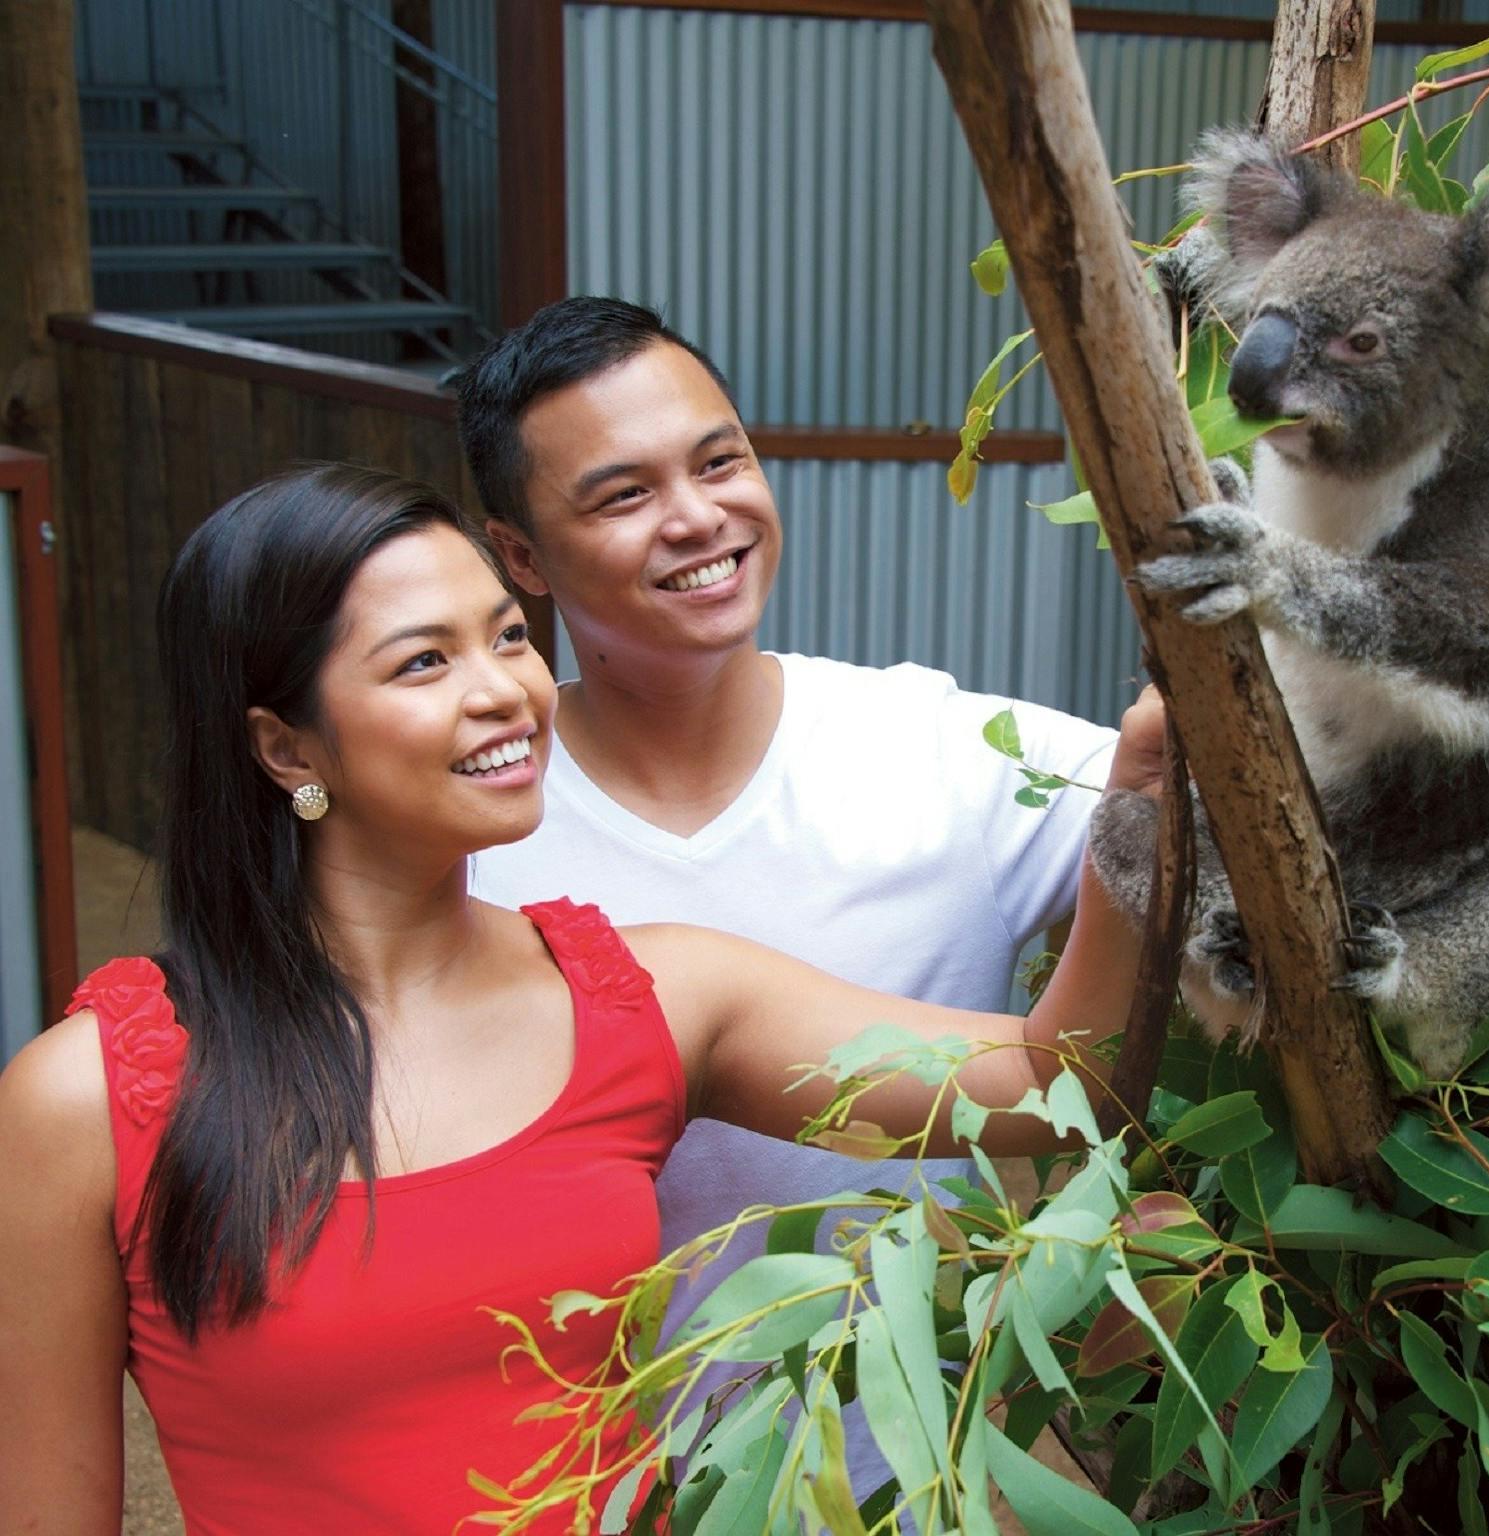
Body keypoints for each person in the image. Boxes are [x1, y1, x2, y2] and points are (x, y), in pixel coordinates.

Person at [0, 465, 1159, 1533]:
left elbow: (1056, 1087)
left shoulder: (650, 996)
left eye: (507, 637)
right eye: (423, 661)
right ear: (286, 749)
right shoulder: (87, 1102)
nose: (506, 690)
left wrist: (1141, 809)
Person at [452, 300, 1123, 1481]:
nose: (697, 517)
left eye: (721, 462)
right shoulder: (468, 824)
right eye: (623, 495)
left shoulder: (938, 749)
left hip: (894, 1474)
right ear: (518, 557)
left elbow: (1214, 834)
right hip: (567, 1473)